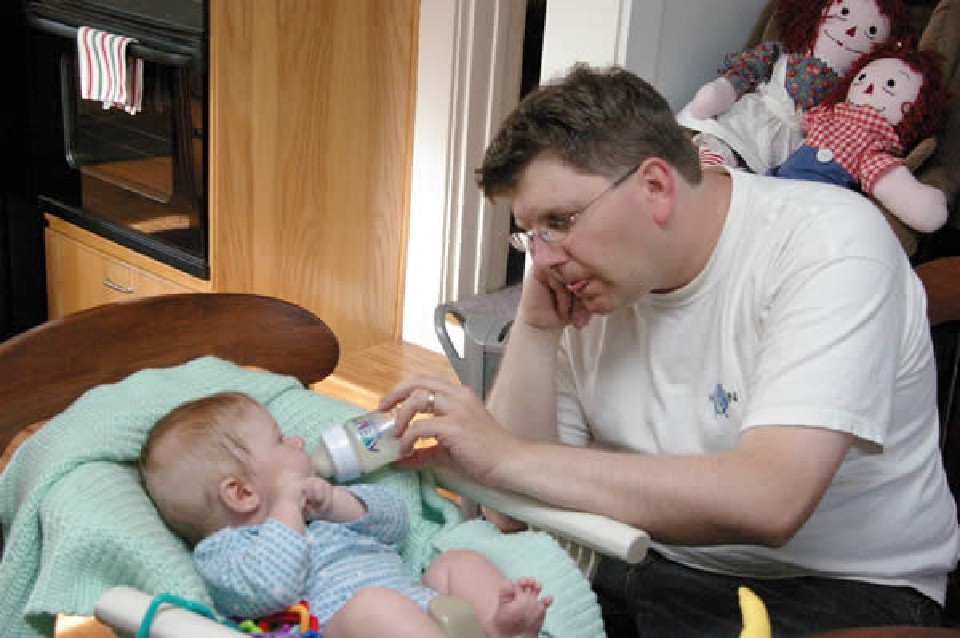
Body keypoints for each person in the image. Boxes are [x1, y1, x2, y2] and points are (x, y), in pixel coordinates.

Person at [379, 63, 960, 636]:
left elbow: (771, 500)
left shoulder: (829, 243)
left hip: (832, 592)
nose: (545, 258)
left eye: (560, 221)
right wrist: (534, 331)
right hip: (639, 558)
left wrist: (505, 456)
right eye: (532, 234)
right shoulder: (586, 283)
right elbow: (510, 514)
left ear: (655, 186)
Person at [139, 391, 552, 638]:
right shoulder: (224, 553)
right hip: (343, 628)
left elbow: (396, 525)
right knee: (371, 607)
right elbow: (272, 588)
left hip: (421, 610)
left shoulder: (321, 511)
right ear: (242, 493)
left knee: (456, 563)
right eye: (280, 441)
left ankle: (499, 628)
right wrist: (286, 508)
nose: (297, 441)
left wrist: (336, 504)